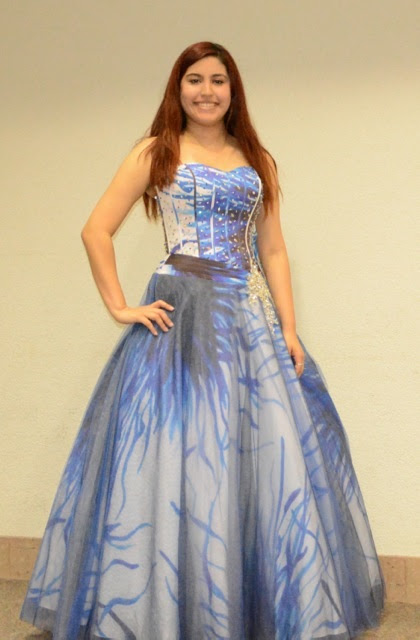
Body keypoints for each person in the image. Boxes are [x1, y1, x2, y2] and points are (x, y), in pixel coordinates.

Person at [20, 41, 385, 639]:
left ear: (233, 90)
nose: (207, 90)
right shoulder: (155, 151)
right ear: (178, 87)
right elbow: (95, 230)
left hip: (248, 321)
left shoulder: (256, 158)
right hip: (182, 321)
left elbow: (272, 249)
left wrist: (290, 329)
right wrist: (120, 306)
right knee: (176, 456)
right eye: (195, 79)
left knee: (261, 456)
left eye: (218, 79)